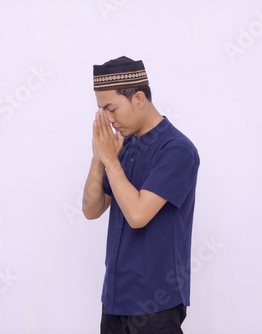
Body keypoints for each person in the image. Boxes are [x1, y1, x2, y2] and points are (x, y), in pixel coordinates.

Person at [82, 56, 200, 334]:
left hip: (155, 304)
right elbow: (91, 209)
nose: (109, 120)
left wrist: (111, 161)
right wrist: (98, 156)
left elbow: (137, 215)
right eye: (102, 111)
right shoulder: (124, 146)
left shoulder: (177, 150)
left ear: (138, 98)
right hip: (114, 299)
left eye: (112, 108)